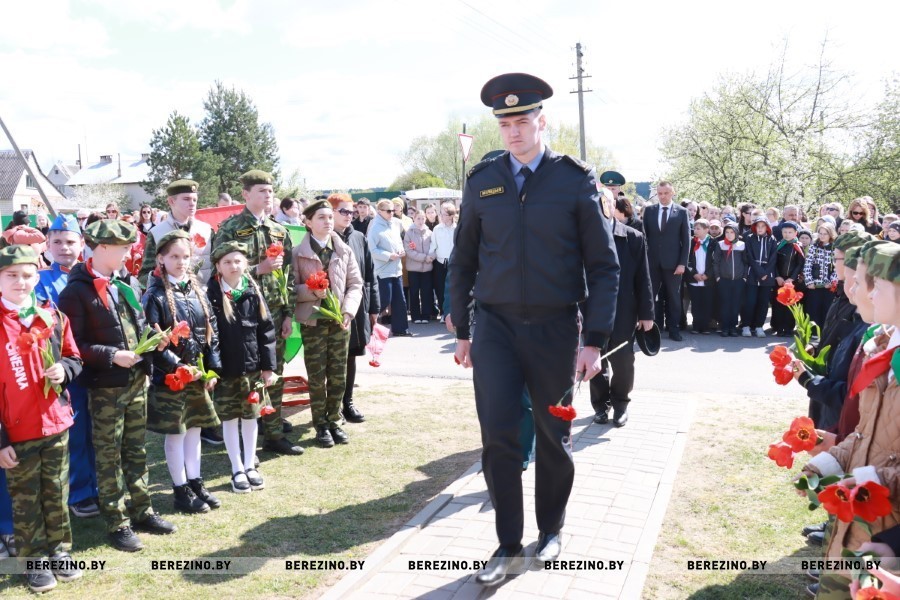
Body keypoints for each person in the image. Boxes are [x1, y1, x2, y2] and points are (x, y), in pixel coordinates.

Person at [450, 72, 619, 586]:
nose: (514, 131)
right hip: (495, 328)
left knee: (553, 435)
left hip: (555, 328)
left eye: (522, 121)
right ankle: (506, 543)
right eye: (505, 124)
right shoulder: (483, 180)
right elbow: (463, 260)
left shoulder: (574, 179)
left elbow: (603, 266)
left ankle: (551, 530)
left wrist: (594, 340)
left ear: (542, 122)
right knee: (499, 435)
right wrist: (462, 329)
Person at [57, 220, 176, 552]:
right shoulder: (76, 291)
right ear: (103, 247)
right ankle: (117, 521)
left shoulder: (127, 282)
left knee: (136, 450)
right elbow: (73, 346)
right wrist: (112, 355)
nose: (128, 253)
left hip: (135, 380)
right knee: (109, 455)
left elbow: (138, 325)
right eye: (123, 248)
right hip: (105, 387)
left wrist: (155, 341)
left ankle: (142, 510)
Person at [798, 241, 900, 598]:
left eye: (875, 285)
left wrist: (869, 480)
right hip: (859, 525)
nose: (865, 293)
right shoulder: (883, 346)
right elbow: (866, 431)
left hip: (886, 536)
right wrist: (831, 461)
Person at [0, 245, 84, 592]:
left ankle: (60, 552)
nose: (21, 282)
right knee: (26, 500)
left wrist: (64, 370)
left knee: (56, 493)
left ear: (38, 276)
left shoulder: (52, 316)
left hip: (55, 423)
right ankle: (34, 561)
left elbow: (74, 357)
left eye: (27, 275)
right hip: (16, 431)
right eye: (11, 275)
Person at [213, 170, 301, 456]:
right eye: (262, 191)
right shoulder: (230, 228)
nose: (268, 195)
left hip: (274, 311)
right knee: (245, 376)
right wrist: (257, 269)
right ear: (246, 194)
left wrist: (288, 313)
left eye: (271, 191)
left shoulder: (279, 230)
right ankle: (243, 436)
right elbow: (220, 271)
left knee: (274, 373)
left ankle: (273, 433)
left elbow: (288, 275)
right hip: (242, 314)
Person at [143, 231, 222, 514]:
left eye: (185, 256)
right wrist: (178, 366)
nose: (181, 262)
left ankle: (195, 482)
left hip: (197, 376)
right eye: (174, 256)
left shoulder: (197, 290)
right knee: (177, 433)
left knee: (195, 430)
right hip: (172, 378)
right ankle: (180, 489)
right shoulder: (154, 296)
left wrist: (212, 369)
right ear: (161, 259)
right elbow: (153, 341)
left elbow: (211, 332)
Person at [34, 215, 100, 520]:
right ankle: (80, 492)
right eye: (57, 241)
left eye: (70, 241)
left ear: (82, 244)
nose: (64, 247)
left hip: (98, 366)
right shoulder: (39, 281)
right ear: (47, 245)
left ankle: (101, 485)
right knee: (75, 434)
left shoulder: (94, 276)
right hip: (65, 371)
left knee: (99, 432)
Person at [207, 241, 278, 490]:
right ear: (218, 266)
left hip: (252, 369)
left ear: (246, 264)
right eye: (227, 262)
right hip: (226, 371)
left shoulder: (253, 291)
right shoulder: (211, 295)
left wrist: (268, 367)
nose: (233, 266)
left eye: (238, 261)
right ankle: (236, 468)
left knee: (251, 417)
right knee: (229, 419)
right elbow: (210, 337)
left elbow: (266, 332)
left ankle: (250, 465)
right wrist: (213, 370)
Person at [292, 199, 363, 448]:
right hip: (313, 323)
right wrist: (311, 290)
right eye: (321, 218)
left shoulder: (343, 250)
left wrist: (349, 311)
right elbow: (290, 288)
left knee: (338, 374)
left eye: (330, 217)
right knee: (316, 376)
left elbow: (355, 284)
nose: (328, 222)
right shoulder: (297, 253)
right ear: (308, 222)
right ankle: (320, 425)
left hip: (340, 322)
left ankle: (334, 420)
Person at [590, 188, 653, 427]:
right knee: (595, 360)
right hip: (592, 309)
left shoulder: (633, 237)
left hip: (624, 310)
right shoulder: (584, 237)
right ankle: (600, 406)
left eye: (605, 203)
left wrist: (647, 314)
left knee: (623, 361)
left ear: (613, 205)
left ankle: (620, 404)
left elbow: (643, 278)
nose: (601, 208)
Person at [331, 193, 380, 423]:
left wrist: (374, 307)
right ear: (331, 212)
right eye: (344, 211)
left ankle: (347, 402)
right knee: (331, 359)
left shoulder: (359, 237)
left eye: (351, 211)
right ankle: (331, 407)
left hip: (357, 306)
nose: (349, 215)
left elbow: (370, 274)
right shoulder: (324, 238)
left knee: (351, 355)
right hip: (331, 307)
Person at [139, 179, 214, 288]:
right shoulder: (156, 233)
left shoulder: (206, 230)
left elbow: (218, 268)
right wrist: (163, 281)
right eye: (186, 199)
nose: (192, 203)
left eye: (194, 199)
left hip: (204, 295)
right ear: (171, 201)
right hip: (169, 296)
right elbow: (144, 276)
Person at [643, 182, 690, 341]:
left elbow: (686, 240)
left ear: (672, 193)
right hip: (652, 263)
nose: (662, 196)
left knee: (674, 298)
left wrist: (682, 263)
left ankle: (673, 329)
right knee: (650, 297)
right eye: (660, 193)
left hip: (674, 264)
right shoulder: (649, 211)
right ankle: (651, 330)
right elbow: (644, 237)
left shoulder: (682, 212)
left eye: (666, 193)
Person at [368, 199, 412, 337]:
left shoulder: (396, 224)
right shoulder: (375, 227)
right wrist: (388, 256)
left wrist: (402, 250)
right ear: (379, 211)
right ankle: (366, 326)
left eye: (393, 210)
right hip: (383, 270)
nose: (392, 213)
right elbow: (372, 250)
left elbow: (399, 242)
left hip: (396, 268)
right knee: (384, 299)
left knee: (400, 300)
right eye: (388, 211)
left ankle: (400, 329)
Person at [741, 216, 777, 337]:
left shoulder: (772, 239)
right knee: (750, 301)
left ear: (767, 228)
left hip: (767, 276)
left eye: (763, 226)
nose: (760, 228)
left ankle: (759, 326)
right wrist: (760, 272)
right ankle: (746, 326)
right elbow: (749, 256)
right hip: (752, 274)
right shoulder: (749, 238)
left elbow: (773, 258)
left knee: (763, 302)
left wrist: (765, 273)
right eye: (758, 226)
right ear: (754, 227)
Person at [712, 222, 748, 336]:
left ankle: (733, 327)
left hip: (738, 280)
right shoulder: (721, 244)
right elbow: (716, 262)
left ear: (736, 232)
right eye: (727, 232)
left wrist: (744, 277)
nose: (729, 234)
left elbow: (746, 262)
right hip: (724, 280)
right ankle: (725, 327)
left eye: (732, 232)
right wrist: (718, 277)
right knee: (725, 304)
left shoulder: (742, 245)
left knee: (735, 304)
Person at [771, 221, 805, 336]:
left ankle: (789, 328)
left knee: (790, 304)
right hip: (779, 279)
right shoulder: (778, 245)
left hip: (791, 280)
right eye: (785, 232)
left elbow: (800, 264)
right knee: (778, 304)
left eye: (790, 232)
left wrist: (791, 278)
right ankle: (779, 327)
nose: (787, 234)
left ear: (795, 233)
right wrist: (777, 276)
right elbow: (773, 262)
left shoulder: (798, 246)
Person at [803, 222, 838, 328]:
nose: (822, 236)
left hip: (828, 286)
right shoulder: (813, 247)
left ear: (830, 234)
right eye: (820, 233)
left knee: (827, 309)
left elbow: (837, 267)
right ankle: (813, 331)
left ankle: (825, 331)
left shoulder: (835, 248)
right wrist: (809, 281)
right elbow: (808, 265)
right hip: (815, 285)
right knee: (813, 309)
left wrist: (832, 282)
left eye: (825, 234)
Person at [405, 212, 435, 324]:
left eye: (423, 218)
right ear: (414, 218)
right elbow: (409, 251)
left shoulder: (430, 233)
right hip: (413, 269)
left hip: (427, 268)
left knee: (426, 292)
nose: (421, 221)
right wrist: (424, 258)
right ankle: (415, 315)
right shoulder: (409, 233)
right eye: (418, 218)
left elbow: (435, 248)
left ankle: (426, 315)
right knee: (414, 292)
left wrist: (431, 257)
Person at [686, 219, 715, 334]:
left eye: (698, 228)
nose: (695, 231)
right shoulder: (691, 242)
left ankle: (705, 326)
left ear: (706, 230)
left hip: (708, 279)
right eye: (695, 228)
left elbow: (715, 261)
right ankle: (696, 325)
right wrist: (694, 273)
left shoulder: (713, 243)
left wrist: (708, 274)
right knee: (696, 303)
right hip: (694, 278)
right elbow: (687, 260)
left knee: (707, 303)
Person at [431, 202, 457, 321]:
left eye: (444, 214)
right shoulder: (437, 229)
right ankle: (443, 313)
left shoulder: (457, 228)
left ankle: (455, 313)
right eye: (440, 214)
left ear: (451, 216)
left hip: (455, 263)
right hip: (440, 263)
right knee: (440, 288)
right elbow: (433, 246)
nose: (441, 216)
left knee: (454, 288)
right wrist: (430, 256)